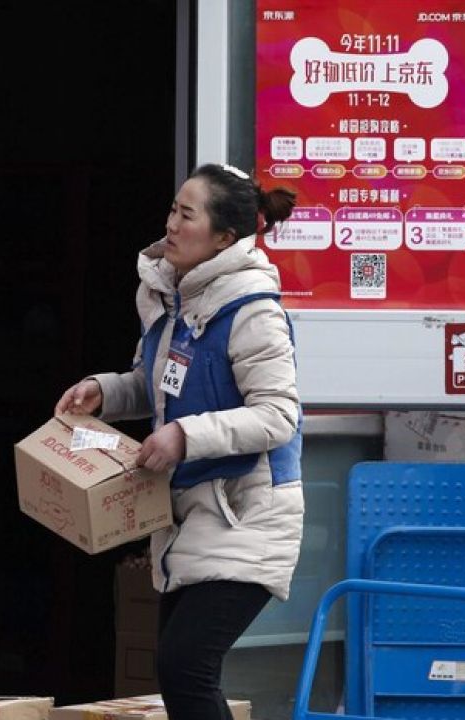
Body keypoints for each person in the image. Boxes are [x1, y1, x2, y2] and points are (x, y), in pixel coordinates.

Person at [54, 163, 303, 720]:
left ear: (224, 238)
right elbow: (157, 384)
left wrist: (184, 437)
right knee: (180, 675)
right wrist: (104, 391)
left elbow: (277, 415)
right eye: (172, 209)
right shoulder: (171, 298)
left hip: (248, 514)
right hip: (187, 515)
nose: (171, 225)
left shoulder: (253, 311)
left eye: (187, 215)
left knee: (185, 667)